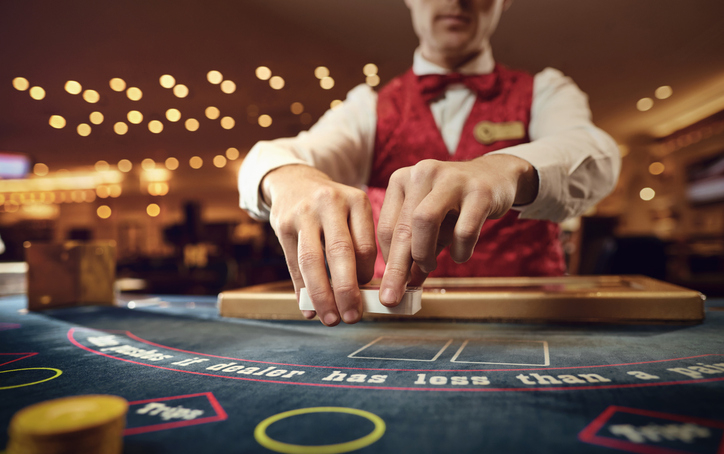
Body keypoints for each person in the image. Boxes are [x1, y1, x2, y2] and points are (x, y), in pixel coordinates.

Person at [238, 0, 621, 326]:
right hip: (395, 325)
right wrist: (288, 179)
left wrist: (502, 169)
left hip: (530, 323)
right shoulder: (368, 108)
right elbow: (271, 156)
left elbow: (595, 152)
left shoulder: (546, 90)